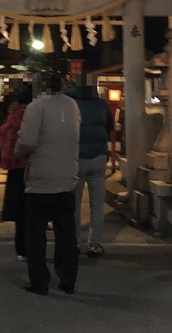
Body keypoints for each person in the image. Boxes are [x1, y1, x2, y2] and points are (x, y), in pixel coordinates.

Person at [15, 73, 81, 295]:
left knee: (36, 234)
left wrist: (17, 151)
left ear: (40, 87)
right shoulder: (72, 105)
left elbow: (26, 141)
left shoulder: (37, 106)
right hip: (67, 178)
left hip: (41, 179)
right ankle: (68, 279)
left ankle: (39, 281)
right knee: (66, 234)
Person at [66, 76, 114, 258]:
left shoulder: (70, 103)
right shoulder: (101, 104)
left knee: (74, 203)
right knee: (97, 203)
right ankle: (94, 244)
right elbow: (109, 126)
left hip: (76, 157)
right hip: (98, 157)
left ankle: (75, 242)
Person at [0, 83, 33, 262]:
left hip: (16, 169)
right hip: (36, 168)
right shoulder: (37, 115)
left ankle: (21, 249)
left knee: (20, 213)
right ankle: (35, 246)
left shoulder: (12, 118)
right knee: (35, 210)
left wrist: (5, 162)